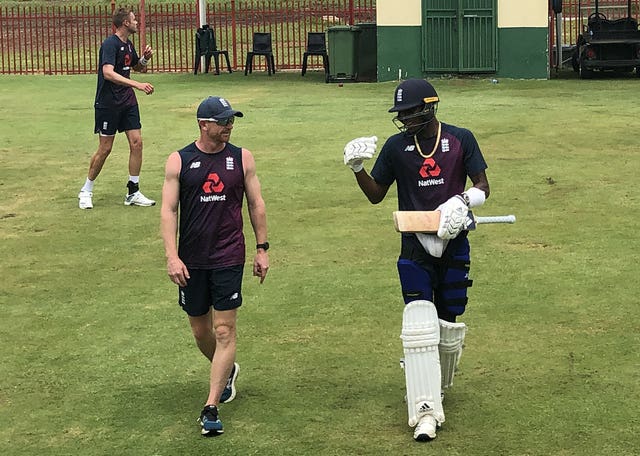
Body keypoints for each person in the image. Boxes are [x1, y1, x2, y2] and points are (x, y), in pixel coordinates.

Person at [343, 79, 490, 442]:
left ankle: (434, 383)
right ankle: (426, 405)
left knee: (449, 320)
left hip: (454, 241)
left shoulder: (460, 138)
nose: (404, 120)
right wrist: (358, 168)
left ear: (429, 108)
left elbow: (483, 186)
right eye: (401, 115)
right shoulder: (396, 147)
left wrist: (463, 202)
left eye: (410, 113)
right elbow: (377, 195)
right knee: (420, 323)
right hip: (414, 245)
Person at [160, 96, 269, 436]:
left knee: (224, 330)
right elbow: (168, 211)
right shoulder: (179, 161)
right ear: (203, 124)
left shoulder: (242, 158)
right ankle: (226, 371)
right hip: (191, 260)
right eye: (222, 121)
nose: (229, 125)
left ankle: (211, 406)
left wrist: (262, 248)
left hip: (228, 256)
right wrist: (171, 256)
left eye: (231, 119)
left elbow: (256, 203)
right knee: (200, 331)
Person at [78, 8, 156, 209]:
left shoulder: (128, 45)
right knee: (105, 148)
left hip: (127, 102)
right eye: (133, 19)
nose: (137, 22)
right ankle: (86, 191)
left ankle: (133, 191)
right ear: (124, 24)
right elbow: (108, 73)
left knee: (137, 142)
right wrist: (137, 85)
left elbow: (138, 67)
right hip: (108, 103)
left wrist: (145, 58)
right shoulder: (109, 44)